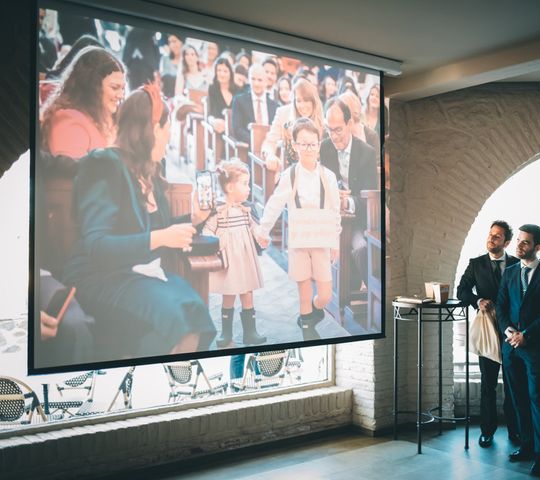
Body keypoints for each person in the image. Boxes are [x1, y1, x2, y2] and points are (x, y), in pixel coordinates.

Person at [62, 85, 217, 360]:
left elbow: (161, 230)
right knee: (174, 315)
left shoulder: (150, 173)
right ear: (151, 129)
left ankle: (175, 385)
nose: (168, 140)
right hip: (99, 277)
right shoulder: (103, 163)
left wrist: (194, 219)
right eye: (166, 132)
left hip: (137, 273)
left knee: (194, 308)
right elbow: (97, 246)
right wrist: (161, 237)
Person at [256, 118, 341, 340]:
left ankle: (313, 311)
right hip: (300, 240)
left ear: (318, 144)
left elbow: (334, 211)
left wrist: (335, 242)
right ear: (294, 145)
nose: (308, 148)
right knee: (303, 289)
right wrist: (263, 230)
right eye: (303, 144)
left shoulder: (328, 177)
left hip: (322, 240)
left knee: (325, 295)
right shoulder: (290, 175)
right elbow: (275, 203)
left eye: (312, 144)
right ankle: (307, 329)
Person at [496, 224, 540, 477]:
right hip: (511, 347)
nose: (519, 245)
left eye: (525, 242)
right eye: (519, 241)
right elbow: (501, 306)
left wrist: (527, 335)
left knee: (538, 401)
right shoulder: (510, 272)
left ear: (537, 247)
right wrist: (509, 333)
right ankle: (526, 446)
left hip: (536, 349)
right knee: (518, 399)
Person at [456, 220, 519, 448]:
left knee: (513, 383)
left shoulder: (516, 264)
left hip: (513, 329)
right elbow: (461, 290)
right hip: (488, 329)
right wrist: (477, 300)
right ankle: (487, 431)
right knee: (488, 383)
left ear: (507, 242)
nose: (491, 239)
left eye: (497, 236)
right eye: (490, 235)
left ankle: (516, 430)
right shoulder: (476, 264)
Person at [202, 159, 266, 348]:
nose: (248, 188)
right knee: (228, 294)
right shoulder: (219, 211)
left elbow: (254, 226)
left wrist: (261, 236)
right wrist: (213, 243)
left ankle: (250, 332)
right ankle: (226, 333)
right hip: (228, 258)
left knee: (247, 293)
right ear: (230, 187)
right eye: (245, 184)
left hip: (245, 257)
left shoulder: (245, 208)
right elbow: (208, 229)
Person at [320, 98, 378, 291]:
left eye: (338, 130)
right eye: (329, 130)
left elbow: (369, 199)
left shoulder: (366, 153)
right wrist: (333, 196)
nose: (334, 136)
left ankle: (372, 295)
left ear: (350, 124)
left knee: (361, 248)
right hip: (329, 220)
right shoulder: (323, 148)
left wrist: (348, 202)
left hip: (356, 220)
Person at [40, 46, 125, 159]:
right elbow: (72, 173)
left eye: (123, 89)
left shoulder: (105, 119)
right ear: (92, 86)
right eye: (115, 88)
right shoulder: (68, 121)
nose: (121, 95)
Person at [261, 76, 324, 171]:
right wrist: (270, 155)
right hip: (288, 172)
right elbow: (270, 142)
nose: (302, 106)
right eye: (299, 101)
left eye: (306, 101)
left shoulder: (321, 121)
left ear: (313, 101)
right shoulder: (283, 113)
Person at [230, 63, 277, 144]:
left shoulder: (275, 106)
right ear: (248, 80)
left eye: (260, 80)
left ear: (265, 82)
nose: (256, 84)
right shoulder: (239, 100)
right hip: (247, 148)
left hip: (269, 148)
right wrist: (255, 141)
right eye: (253, 79)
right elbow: (237, 129)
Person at [207, 57, 236, 135]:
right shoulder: (212, 89)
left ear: (231, 73)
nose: (222, 74)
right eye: (219, 70)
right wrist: (214, 122)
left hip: (235, 131)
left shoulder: (237, 90)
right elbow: (209, 115)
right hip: (218, 131)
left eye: (225, 71)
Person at [159, 33, 183, 98]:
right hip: (166, 98)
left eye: (174, 41)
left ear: (181, 42)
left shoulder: (186, 60)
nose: (172, 45)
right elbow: (160, 81)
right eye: (170, 42)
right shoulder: (164, 59)